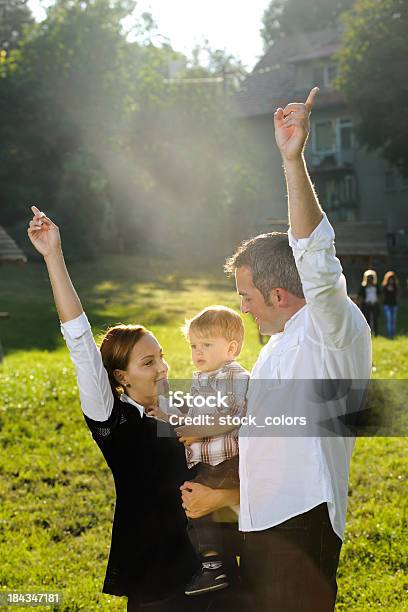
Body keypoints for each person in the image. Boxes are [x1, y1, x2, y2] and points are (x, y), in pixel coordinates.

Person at [182, 87, 372, 611]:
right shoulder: (275, 349)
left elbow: (317, 257)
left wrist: (294, 160)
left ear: (278, 294)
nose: (242, 309)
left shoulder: (331, 328)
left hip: (301, 521)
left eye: (245, 296)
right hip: (259, 524)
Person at [27, 206, 240, 612]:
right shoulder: (115, 420)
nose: (162, 367)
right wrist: (53, 255)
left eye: (160, 356)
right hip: (156, 578)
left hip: (214, 572)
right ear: (121, 378)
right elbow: (80, 345)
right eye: (147, 363)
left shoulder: (183, 403)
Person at [175, 306, 249, 596]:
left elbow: (232, 415)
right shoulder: (202, 378)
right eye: (194, 345)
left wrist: (197, 431)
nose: (198, 352)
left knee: (196, 504)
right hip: (210, 461)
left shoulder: (232, 375)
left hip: (227, 460)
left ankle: (213, 565)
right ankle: (216, 562)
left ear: (231, 348)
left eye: (207, 345)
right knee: (199, 506)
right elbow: (195, 414)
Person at [358, 269, 380, 335]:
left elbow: (379, 294)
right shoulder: (363, 287)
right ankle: (368, 333)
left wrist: (377, 301)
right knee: (367, 319)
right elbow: (360, 296)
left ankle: (376, 333)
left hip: (374, 304)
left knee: (375, 319)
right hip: (366, 305)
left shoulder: (376, 286)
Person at [381, 271, 399, 339]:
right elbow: (383, 296)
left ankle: (393, 334)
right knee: (389, 320)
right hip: (387, 305)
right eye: (390, 279)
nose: (391, 280)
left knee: (393, 321)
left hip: (394, 305)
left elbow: (398, 295)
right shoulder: (385, 286)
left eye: (392, 279)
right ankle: (389, 335)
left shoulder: (395, 287)